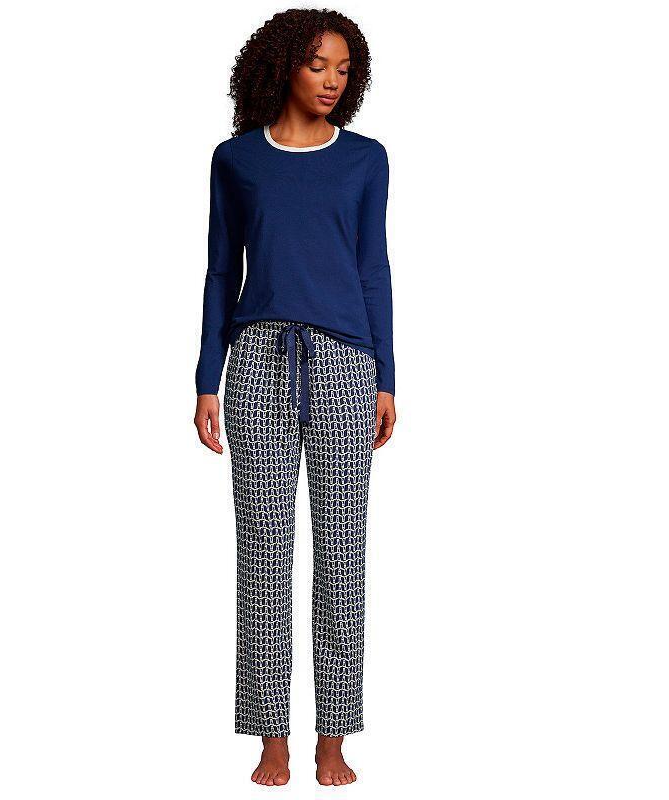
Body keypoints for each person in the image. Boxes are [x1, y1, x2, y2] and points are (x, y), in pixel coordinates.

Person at [193, 8, 396, 787]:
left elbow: (374, 268)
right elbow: (221, 270)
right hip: (256, 365)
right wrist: (206, 377)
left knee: (342, 557)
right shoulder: (237, 160)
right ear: (283, 67)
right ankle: (270, 735)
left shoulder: (366, 160)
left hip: (346, 365)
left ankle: (333, 737)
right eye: (319, 66)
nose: (333, 81)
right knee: (263, 558)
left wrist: (386, 375)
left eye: (345, 69)